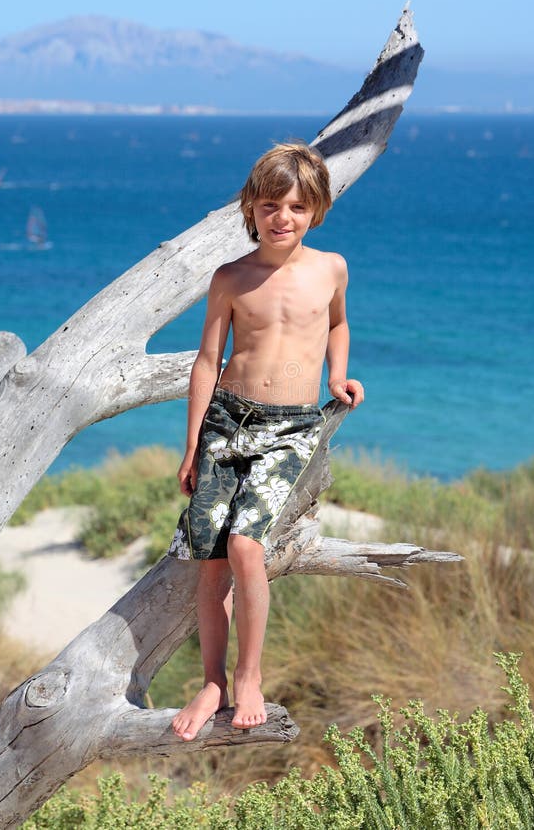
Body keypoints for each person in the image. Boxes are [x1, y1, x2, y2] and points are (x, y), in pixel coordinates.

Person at [168, 143, 364, 741]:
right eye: (272, 204)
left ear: (317, 211)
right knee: (211, 564)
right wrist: (193, 442)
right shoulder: (231, 277)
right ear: (251, 209)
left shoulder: (331, 268)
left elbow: (336, 322)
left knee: (247, 545)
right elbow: (208, 361)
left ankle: (248, 675)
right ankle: (211, 682)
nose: (284, 217)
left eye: (298, 207)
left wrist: (337, 375)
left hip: (293, 427)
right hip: (228, 422)